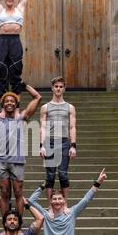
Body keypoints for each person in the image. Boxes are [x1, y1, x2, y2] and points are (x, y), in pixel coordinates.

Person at [0, 84, 41, 216]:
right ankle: (6, 225)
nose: (9, 103)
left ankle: (17, 224)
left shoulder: (21, 117)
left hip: (17, 160)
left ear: (16, 103)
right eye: (6, 101)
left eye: (12, 101)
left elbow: (37, 97)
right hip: (1, 160)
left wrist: (24, 85)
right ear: (2, 103)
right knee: (4, 193)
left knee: (18, 192)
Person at [39, 76, 77, 204]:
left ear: (64, 89)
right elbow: (43, 127)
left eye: (61, 86)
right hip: (50, 142)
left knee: (63, 175)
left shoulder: (70, 107)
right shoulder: (45, 107)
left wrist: (73, 146)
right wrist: (41, 145)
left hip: (64, 142)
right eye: (56, 86)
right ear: (52, 88)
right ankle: (50, 206)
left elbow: (72, 127)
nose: (58, 89)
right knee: (50, 176)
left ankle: (64, 204)